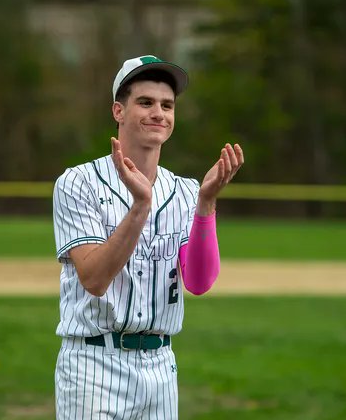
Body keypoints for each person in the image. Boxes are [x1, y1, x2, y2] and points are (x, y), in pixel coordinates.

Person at [52, 54, 244, 419]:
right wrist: (140, 207)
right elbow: (93, 279)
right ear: (118, 111)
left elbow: (200, 282)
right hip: (94, 364)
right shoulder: (78, 183)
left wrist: (206, 204)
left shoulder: (187, 191)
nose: (159, 112)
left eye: (167, 105)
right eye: (145, 102)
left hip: (160, 367)